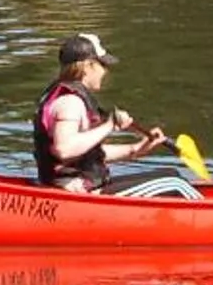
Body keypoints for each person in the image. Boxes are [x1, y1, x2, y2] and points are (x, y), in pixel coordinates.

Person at [33, 33, 185, 194]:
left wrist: (135, 149)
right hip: (80, 196)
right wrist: (110, 124)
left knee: (172, 174)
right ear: (88, 66)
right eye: (103, 65)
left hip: (84, 191)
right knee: (176, 184)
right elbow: (64, 149)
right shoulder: (70, 102)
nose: (105, 71)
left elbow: (88, 155)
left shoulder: (70, 98)